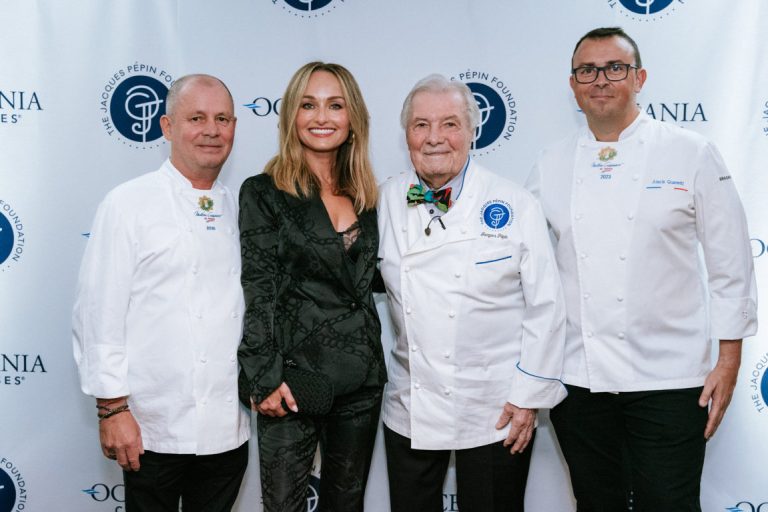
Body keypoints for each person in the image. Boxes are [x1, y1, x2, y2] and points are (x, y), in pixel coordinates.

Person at [526, 27, 758, 511]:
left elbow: (731, 261)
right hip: (580, 379)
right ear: (573, 85)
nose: (601, 80)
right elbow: (525, 267)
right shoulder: (549, 164)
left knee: (668, 504)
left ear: (640, 78)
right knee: (596, 503)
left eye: (615, 68)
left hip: (671, 379)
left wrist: (730, 359)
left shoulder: (691, 152)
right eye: (587, 70)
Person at [377, 74, 567, 512]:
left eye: (450, 124)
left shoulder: (514, 204)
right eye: (421, 125)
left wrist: (527, 398)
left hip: (495, 408)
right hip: (412, 405)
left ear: (472, 132)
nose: (434, 138)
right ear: (406, 134)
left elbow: (547, 307)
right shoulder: (386, 198)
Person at [72, 74, 250, 511]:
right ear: (168, 127)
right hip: (152, 428)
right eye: (197, 118)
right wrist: (112, 410)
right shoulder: (128, 203)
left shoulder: (243, 208)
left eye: (222, 118)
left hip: (227, 430)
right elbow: (98, 313)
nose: (212, 130)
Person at [237, 62, 386, 512]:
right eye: (309, 104)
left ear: (353, 117)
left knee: (348, 503)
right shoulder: (264, 192)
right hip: (292, 381)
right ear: (291, 116)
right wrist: (264, 378)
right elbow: (258, 287)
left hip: (361, 378)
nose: (322, 117)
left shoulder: (368, 195)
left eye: (335, 105)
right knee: (282, 505)